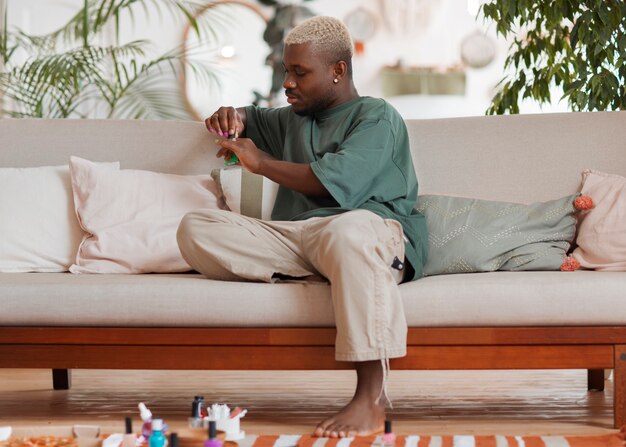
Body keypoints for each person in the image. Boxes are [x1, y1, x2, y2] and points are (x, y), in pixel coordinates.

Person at [176, 16, 427, 438]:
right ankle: (340, 273)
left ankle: (372, 397)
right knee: (196, 227)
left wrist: (261, 163)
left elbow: (330, 185)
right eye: (286, 72)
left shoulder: (376, 117)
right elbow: (249, 117)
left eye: (300, 73)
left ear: (338, 71)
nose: (288, 83)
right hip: (303, 241)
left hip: (369, 231)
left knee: (346, 233)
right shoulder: (292, 117)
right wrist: (229, 116)